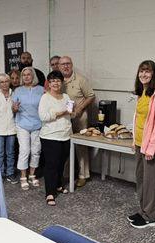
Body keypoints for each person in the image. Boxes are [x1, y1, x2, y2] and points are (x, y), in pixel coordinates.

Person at [128, 60, 155, 229]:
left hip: (153, 147)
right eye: (141, 71)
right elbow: (138, 117)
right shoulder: (142, 91)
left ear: (154, 74)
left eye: (147, 72)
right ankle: (143, 211)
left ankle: (150, 217)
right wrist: (134, 140)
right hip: (140, 143)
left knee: (151, 182)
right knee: (141, 180)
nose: (143, 75)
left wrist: (151, 148)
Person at [59, 56, 95, 187]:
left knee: (81, 147)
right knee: (65, 145)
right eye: (62, 64)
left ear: (72, 65)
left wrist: (80, 107)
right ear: (58, 66)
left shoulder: (80, 79)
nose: (65, 66)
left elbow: (91, 96)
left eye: (68, 63)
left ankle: (82, 175)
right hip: (64, 118)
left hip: (79, 117)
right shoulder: (58, 80)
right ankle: (67, 174)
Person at [38, 70, 72, 206]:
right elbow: (43, 117)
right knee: (51, 165)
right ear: (49, 84)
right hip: (50, 136)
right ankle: (50, 193)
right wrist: (61, 112)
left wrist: (71, 112)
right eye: (52, 81)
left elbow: (70, 113)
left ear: (61, 82)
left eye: (58, 80)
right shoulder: (45, 98)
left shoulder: (66, 96)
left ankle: (58, 185)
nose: (55, 83)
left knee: (61, 163)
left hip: (66, 135)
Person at [12, 67, 44, 190]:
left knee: (36, 151)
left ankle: (32, 175)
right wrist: (14, 108)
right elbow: (13, 109)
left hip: (37, 124)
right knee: (25, 150)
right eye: (24, 75)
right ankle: (23, 177)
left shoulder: (41, 90)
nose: (26, 77)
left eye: (28, 74)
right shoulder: (18, 91)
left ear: (33, 76)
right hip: (22, 124)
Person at [0, 73, 17, 183]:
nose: (4, 84)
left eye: (6, 81)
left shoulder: (14, 94)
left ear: (9, 82)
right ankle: (0, 173)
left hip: (11, 128)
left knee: (10, 153)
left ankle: (10, 173)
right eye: (1, 82)